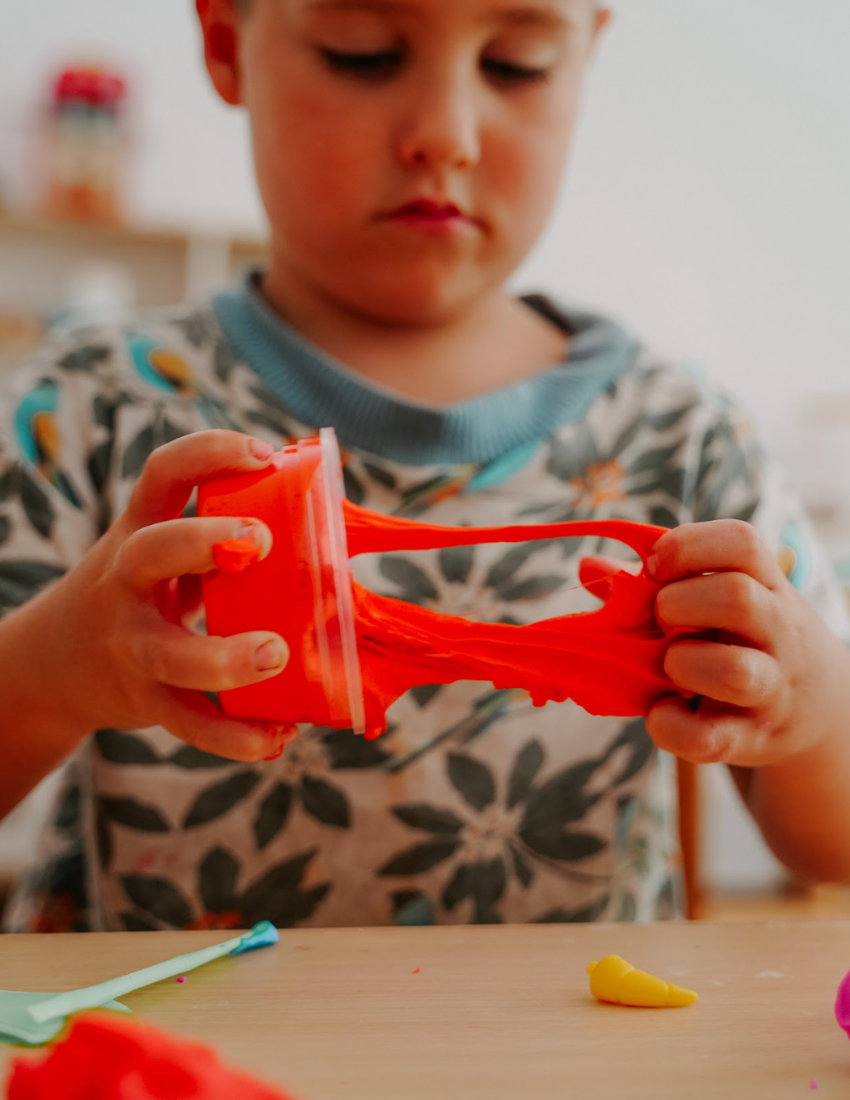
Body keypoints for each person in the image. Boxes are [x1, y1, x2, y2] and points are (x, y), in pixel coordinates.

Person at [1, 0, 849, 934]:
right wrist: (54, 666)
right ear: (225, 44)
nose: (443, 135)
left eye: (516, 64)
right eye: (361, 54)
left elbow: (832, 843)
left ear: (585, 57)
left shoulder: (684, 437)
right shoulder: (87, 409)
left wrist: (814, 709)